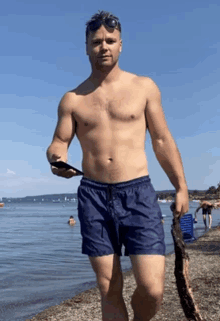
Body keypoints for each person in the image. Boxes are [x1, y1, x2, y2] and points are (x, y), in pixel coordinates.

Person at [46, 10, 188, 321]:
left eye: (110, 41)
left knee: (152, 290)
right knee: (108, 287)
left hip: (138, 193)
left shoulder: (144, 87)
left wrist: (180, 186)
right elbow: (59, 142)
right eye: (97, 42)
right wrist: (56, 160)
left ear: (121, 44)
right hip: (93, 196)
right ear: (86, 47)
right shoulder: (72, 99)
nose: (104, 47)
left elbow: (162, 140)